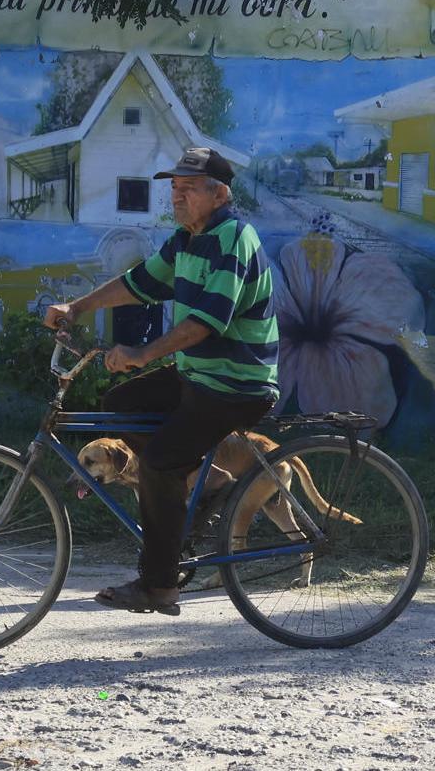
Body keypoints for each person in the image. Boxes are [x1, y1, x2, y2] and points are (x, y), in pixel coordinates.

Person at [42, 146, 280, 614]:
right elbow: (140, 283)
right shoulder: (187, 239)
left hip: (236, 384)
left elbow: (208, 322)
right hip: (201, 374)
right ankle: (202, 484)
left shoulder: (233, 237)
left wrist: (143, 353)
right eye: (174, 189)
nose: (177, 198)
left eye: (188, 189)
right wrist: (78, 307)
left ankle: (160, 585)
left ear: (219, 194)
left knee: (158, 463)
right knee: (123, 402)